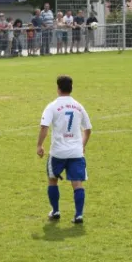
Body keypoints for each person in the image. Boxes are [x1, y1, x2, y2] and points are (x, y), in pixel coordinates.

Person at [37, 75, 92, 224]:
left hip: (58, 152)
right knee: (77, 183)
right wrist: (82, 145)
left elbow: (44, 127)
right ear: (71, 88)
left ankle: (55, 211)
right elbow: (87, 129)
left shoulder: (52, 106)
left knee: (52, 180)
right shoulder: (79, 106)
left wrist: (39, 145)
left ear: (58, 88)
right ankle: (79, 215)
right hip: (76, 152)